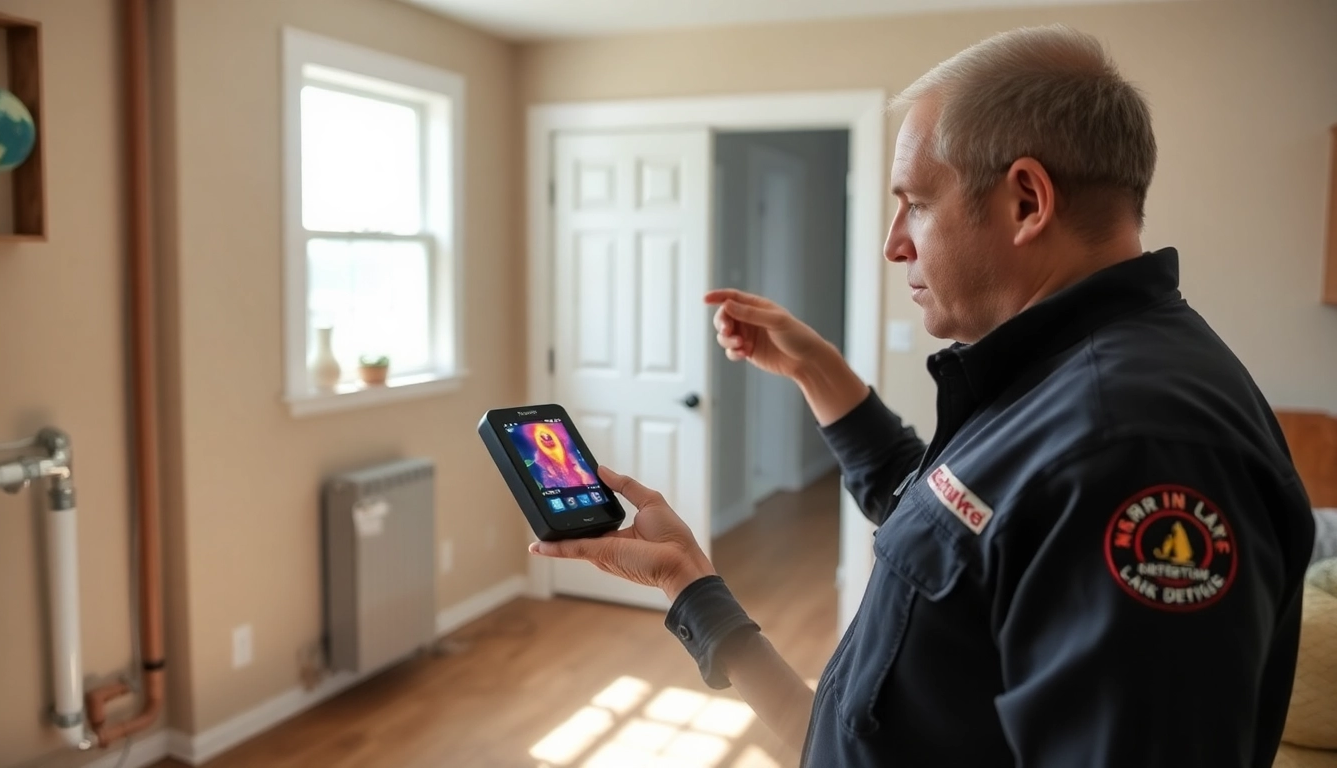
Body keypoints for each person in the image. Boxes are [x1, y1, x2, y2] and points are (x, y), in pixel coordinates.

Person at [529, 24, 1317, 767]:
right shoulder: (1051, 379)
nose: (893, 241)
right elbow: (944, 516)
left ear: (1026, 202)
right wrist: (689, 582)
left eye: (917, 201)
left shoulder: (1133, 448)